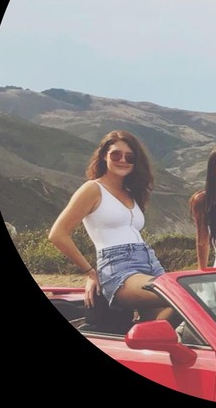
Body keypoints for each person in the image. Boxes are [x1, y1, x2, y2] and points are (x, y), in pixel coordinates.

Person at [48, 130, 174, 323]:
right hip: (119, 267)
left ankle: (141, 338)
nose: (122, 160)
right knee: (178, 294)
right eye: (116, 154)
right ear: (104, 155)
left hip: (150, 262)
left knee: (184, 311)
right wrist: (90, 272)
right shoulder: (92, 189)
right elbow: (58, 234)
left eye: (130, 157)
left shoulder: (130, 192)